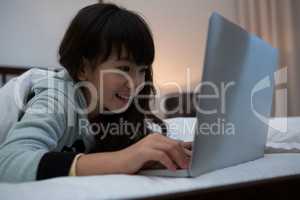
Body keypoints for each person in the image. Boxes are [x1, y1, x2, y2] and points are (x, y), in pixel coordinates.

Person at [0, 3, 191, 182]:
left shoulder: (110, 110)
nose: (136, 84)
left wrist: (154, 157)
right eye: (124, 68)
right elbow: (8, 163)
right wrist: (122, 159)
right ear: (83, 69)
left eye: (141, 70)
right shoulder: (57, 98)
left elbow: (117, 153)